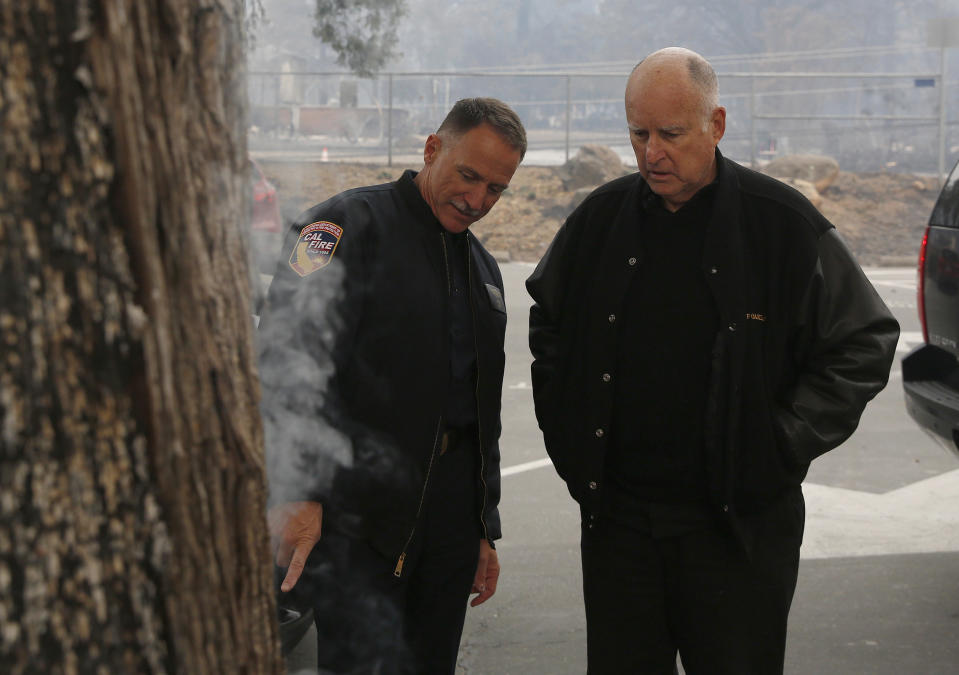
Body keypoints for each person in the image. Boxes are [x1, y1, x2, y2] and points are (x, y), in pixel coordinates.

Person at [526, 47, 899, 674]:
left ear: (716, 125)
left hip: (738, 534)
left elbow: (864, 338)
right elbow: (550, 328)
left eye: (671, 134)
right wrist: (569, 439)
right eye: (638, 133)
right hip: (621, 529)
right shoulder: (598, 222)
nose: (651, 153)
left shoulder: (782, 224)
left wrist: (778, 442)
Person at [258, 98, 526, 674]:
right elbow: (284, 358)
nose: (478, 201)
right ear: (433, 150)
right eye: (469, 176)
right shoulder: (343, 227)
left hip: (451, 522)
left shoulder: (482, 271)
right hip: (357, 517)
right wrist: (298, 488)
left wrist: (484, 527)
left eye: (496, 190)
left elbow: (481, 411)